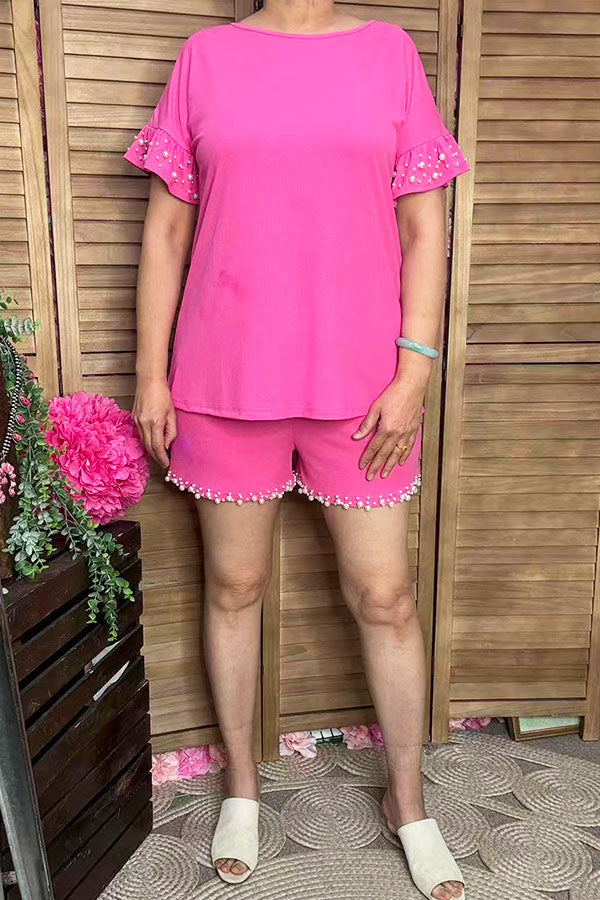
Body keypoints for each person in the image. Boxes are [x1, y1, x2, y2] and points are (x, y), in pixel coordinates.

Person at [124, 4, 470, 898]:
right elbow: (166, 232)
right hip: (222, 376)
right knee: (233, 587)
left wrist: (415, 370)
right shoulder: (206, 57)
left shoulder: (388, 53)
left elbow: (424, 228)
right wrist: (151, 376)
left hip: (364, 387)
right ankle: (242, 788)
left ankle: (408, 802)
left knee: (386, 597)